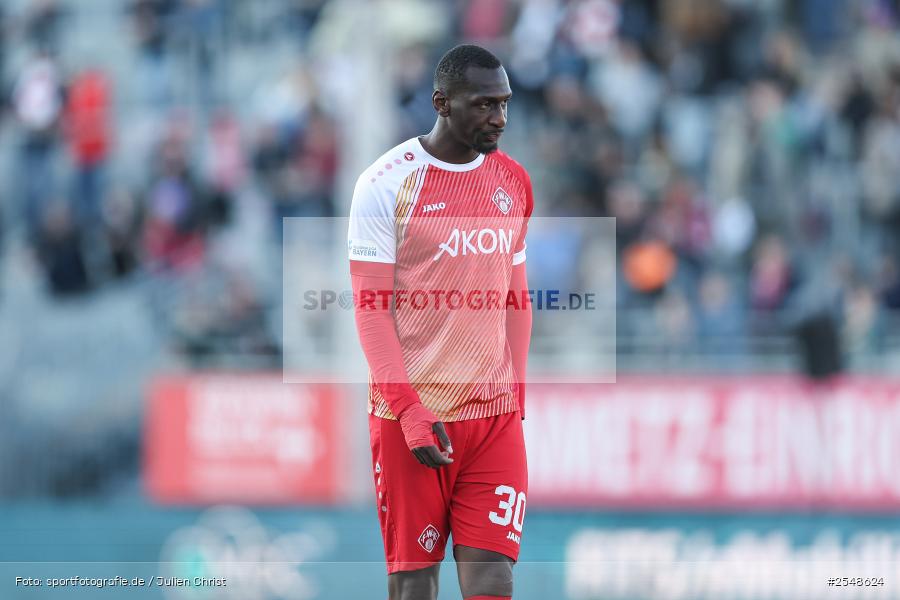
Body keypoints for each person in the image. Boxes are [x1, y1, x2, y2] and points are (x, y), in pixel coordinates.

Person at [348, 45, 533, 600]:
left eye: (504, 104)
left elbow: (515, 297)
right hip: (414, 418)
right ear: (442, 103)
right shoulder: (384, 184)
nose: (498, 117)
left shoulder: (514, 182)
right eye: (483, 105)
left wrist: (516, 397)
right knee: (413, 586)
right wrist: (407, 408)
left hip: (494, 420)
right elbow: (371, 307)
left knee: (494, 581)